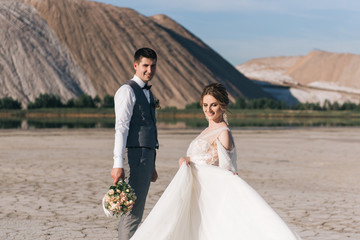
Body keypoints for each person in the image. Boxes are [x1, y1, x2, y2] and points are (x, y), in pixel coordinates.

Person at [130, 83, 302, 240]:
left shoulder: (223, 132)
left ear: (223, 105)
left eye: (214, 105)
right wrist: (186, 159)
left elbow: (226, 170)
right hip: (194, 192)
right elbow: (202, 159)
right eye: (205, 105)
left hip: (208, 195)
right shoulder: (208, 130)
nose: (209, 110)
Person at [110, 47, 159, 240]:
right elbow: (121, 128)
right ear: (135, 65)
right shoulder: (127, 91)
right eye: (145, 66)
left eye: (153, 66)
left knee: (137, 209)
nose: (149, 70)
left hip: (146, 157)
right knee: (132, 212)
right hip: (135, 156)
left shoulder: (147, 93)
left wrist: (152, 165)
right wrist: (117, 164)